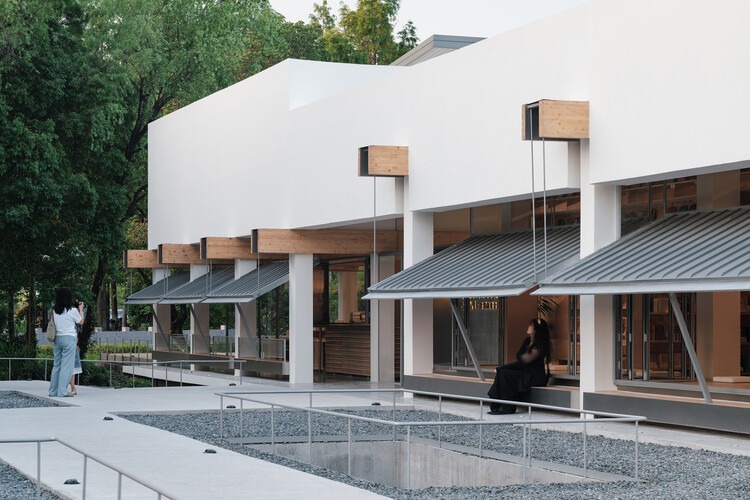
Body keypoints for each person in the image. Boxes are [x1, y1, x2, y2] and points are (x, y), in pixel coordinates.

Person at [487, 318, 551, 415]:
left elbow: (523, 362)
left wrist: (501, 367)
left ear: (535, 329)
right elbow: (520, 360)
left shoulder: (539, 345)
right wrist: (501, 369)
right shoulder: (527, 341)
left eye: (531, 325)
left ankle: (507, 407)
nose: (528, 327)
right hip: (525, 373)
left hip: (533, 376)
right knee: (503, 373)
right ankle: (499, 405)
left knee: (504, 373)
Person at [48, 288, 84, 397]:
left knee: (57, 365)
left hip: (57, 338)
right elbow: (81, 321)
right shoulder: (72, 310)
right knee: (67, 366)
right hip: (69, 338)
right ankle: (62, 391)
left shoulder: (54, 310)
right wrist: (81, 309)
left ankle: (53, 391)